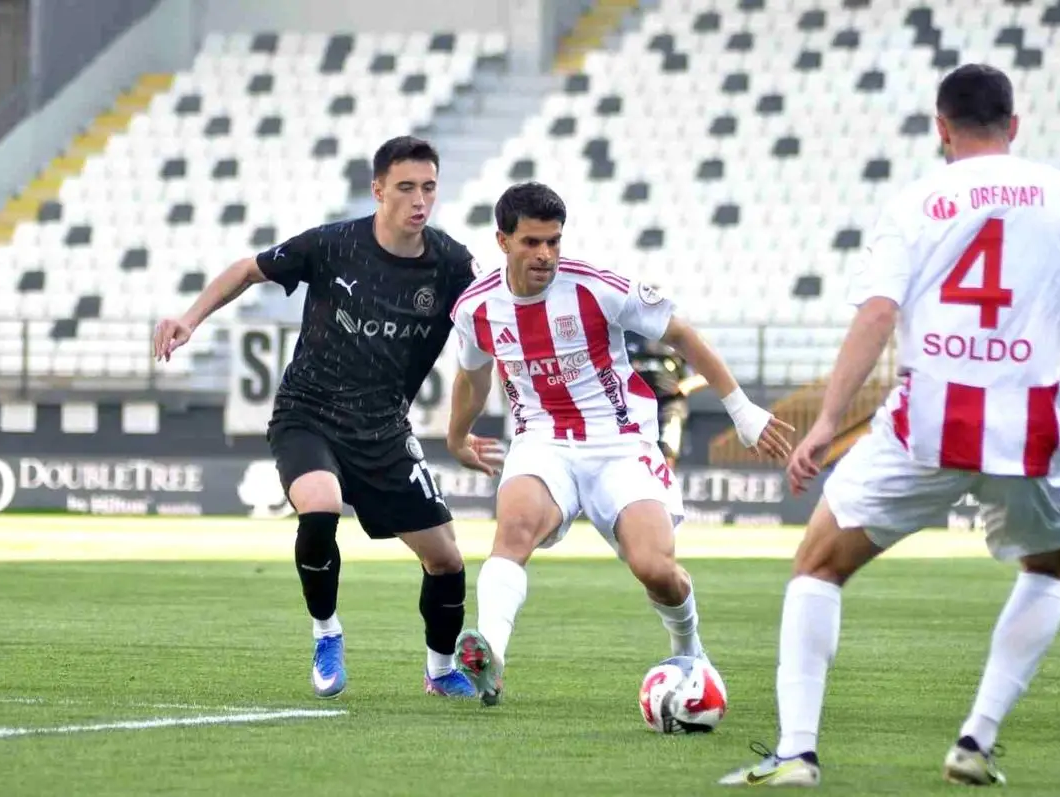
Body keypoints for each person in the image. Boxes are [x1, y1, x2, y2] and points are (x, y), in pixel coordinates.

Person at [717, 63, 1060, 788]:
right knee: (1051, 567)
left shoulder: (917, 202)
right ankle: (975, 739)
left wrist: (826, 421)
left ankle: (797, 753)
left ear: (942, 128)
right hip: (1030, 425)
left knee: (818, 565)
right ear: (1015, 126)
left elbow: (877, 315)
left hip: (925, 423)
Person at [152, 136, 504, 700]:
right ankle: (327, 633)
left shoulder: (454, 265)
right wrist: (191, 319)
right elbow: (248, 270)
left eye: (429, 187)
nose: (419, 200)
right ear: (378, 190)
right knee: (318, 507)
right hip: (307, 414)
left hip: (384, 430)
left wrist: (459, 435)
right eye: (406, 187)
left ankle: (440, 671)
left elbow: (489, 341)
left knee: (446, 559)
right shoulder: (335, 245)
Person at [443, 182, 795, 706]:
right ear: (502, 241)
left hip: (620, 443)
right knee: (513, 531)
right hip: (541, 440)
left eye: (554, 242)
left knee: (655, 569)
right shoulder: (476, 308)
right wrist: (456, 437)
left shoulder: (593, 286)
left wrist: (742, 410)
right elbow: (472, 378)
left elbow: (682, 335)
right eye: (532, 242)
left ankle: (689, 648)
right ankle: (490, 651)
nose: (545, 255)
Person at [625, 328, 709, 470]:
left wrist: (687, 385)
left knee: (667, 452)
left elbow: (708, 373)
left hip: (670, 406)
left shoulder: (676, 335)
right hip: (634, 406)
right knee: (633, 456)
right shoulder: (627, 335)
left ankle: (665, 488)